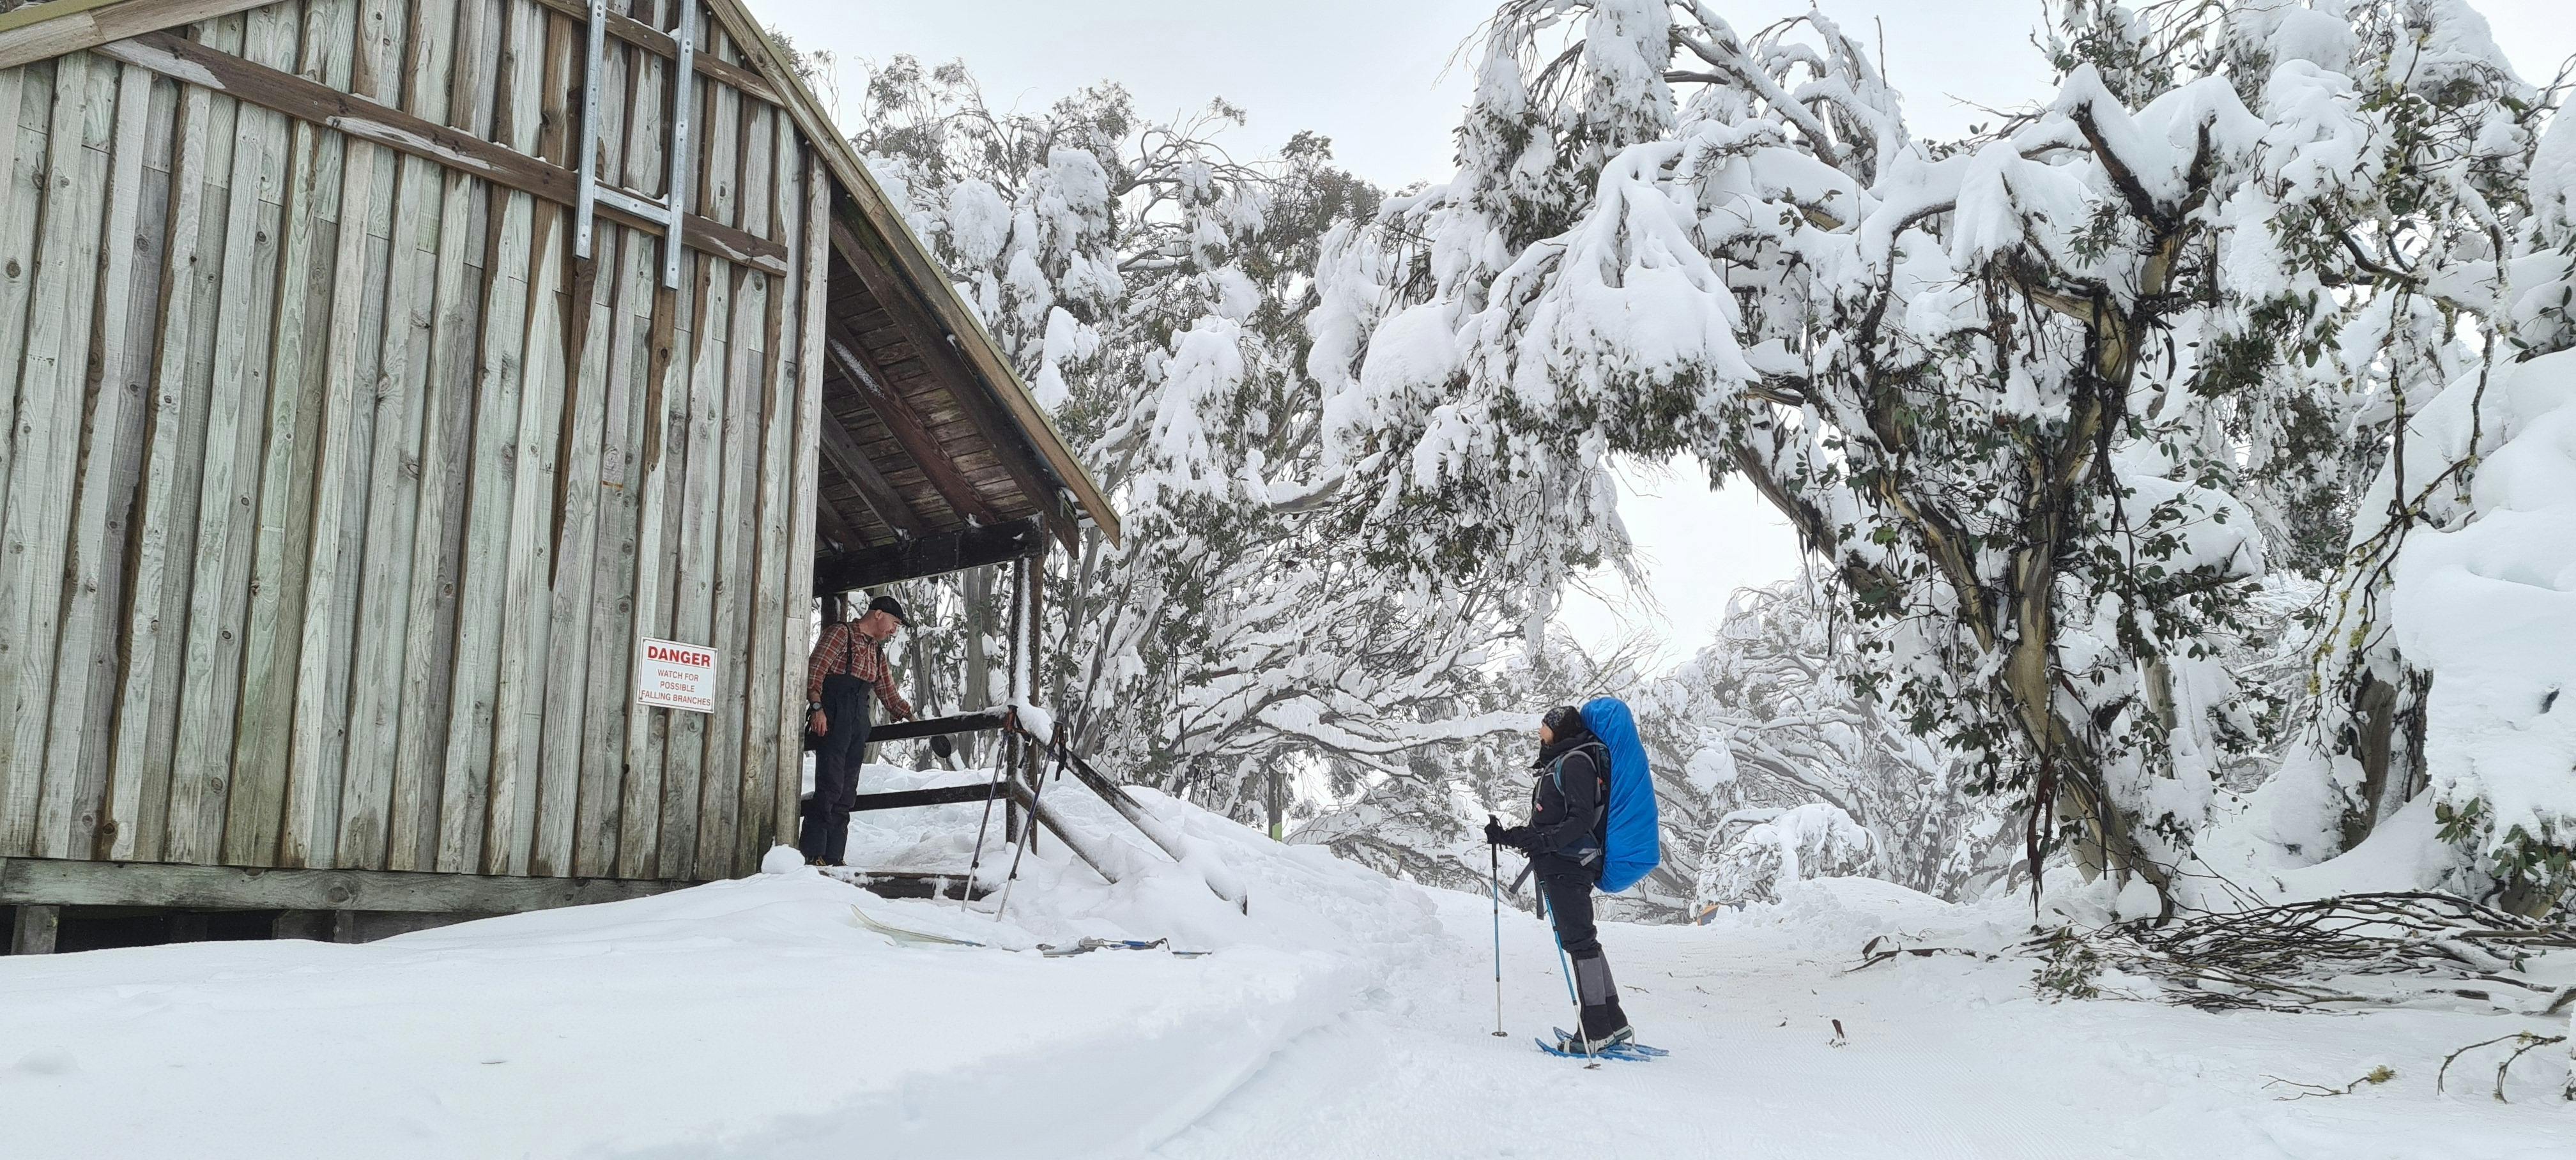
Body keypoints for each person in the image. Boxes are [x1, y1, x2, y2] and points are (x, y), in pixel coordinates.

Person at [1487, 705, 1636, 1054]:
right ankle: (1612, 1021)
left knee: (1580, 943)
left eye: (1545, 725)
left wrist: (1546, 842)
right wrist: (1505, 836)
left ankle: (1595, 1028)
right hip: (1561, 861)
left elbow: (1580, 820)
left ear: (1559, 729)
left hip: (1570, 863)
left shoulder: (1575, 763)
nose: (1540, 731)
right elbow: (1546, 827)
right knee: (1584, 942)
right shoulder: (1563, 762)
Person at [799, 594, 917, 866]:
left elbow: (889, 693)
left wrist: (911, 716)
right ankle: (813, 853)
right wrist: (817, 708)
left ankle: (835, 856)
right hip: (833, 716)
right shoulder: (840, 634)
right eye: (894, 623)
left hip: (857, 722)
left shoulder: (876, 652)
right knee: (829, 785)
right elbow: (814, 670)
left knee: (847, 791)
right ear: (878, 614)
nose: (894, 630)